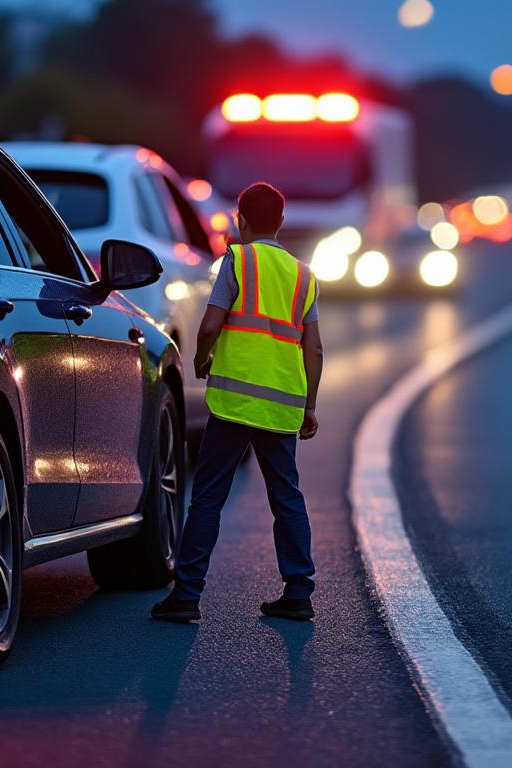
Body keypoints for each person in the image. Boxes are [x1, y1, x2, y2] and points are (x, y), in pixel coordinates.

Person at [151, 182, 322, 623]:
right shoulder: (304, 275)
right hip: (281, 405)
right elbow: (314, 348)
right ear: (281, 222)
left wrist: (200, 360)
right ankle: (298, 592)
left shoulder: (238, 261)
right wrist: (310, 406)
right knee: (287, 497)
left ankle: (186, 596)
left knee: (208, 498)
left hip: (234, 403)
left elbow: (210, 325)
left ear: (239, 220)